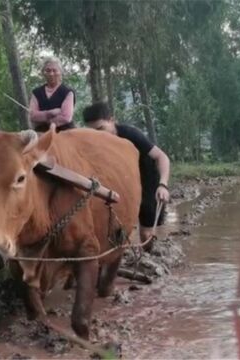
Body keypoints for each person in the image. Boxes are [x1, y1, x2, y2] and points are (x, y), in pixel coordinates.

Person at [83, 102, 170, 251]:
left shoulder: (130, 134)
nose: (98, 135)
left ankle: (148, 254)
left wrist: (163, 185)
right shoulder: (92, 141)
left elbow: (161, 157)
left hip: (145, 181)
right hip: (119, 183)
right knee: (114, 226)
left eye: (101, 128)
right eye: (93, 132)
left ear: (112, 120)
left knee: (146, 233)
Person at [30, 57, 76, 132]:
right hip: (41, 134)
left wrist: (44, 119)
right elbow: (33, 116)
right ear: (43, 73)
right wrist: (50, 113)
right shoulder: (36, 93)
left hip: (65, 133)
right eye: (48, 71)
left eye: (54, 70)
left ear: (60, 72)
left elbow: (66, 117)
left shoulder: (68, 92)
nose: (51, 74)